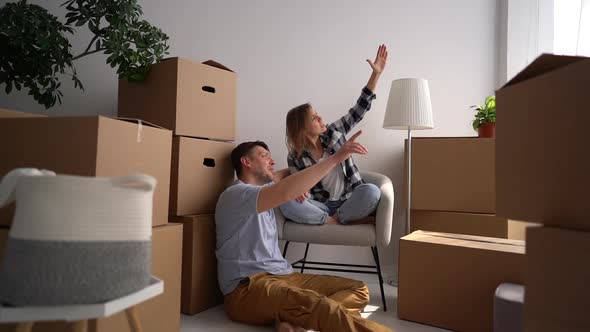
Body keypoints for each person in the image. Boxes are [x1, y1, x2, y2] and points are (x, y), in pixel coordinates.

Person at [215, 135, 394, 332]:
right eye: (264, 156)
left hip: (285, 275)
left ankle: (294, 321)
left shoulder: (265, 190)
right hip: (247, 288)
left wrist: (290, 181)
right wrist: (335, 158)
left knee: (358, 289)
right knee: (321, 305)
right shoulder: (236, 194)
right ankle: (309, 314)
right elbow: (284, 191)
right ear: (246, 161)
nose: (272, 160)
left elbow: (281, 178)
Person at [280, 45, 388, 226]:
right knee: (285, 202)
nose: (321, 117)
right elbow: (299, 189)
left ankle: (336, 219)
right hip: (320, 205)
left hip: (350, 198)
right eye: (314, 118)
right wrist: (301, 192)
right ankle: (339, 220)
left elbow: (359, 109)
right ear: (303, 128)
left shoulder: (334, 132)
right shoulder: (294, 157)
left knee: (372, 191)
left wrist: (376, 74)